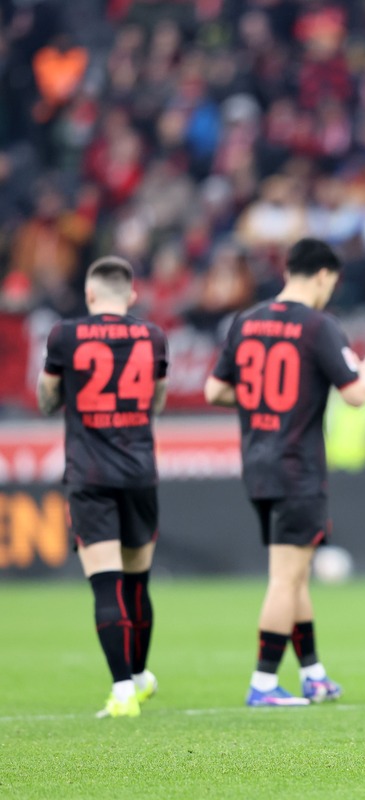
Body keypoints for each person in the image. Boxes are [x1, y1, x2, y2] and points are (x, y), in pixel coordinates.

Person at [204, 238, 365, 707]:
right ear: (322, 275)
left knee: (295, 574)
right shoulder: (319, 326)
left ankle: (313, 674)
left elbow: (214, 391)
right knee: (285, 577)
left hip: (257, 461)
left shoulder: (247, 320)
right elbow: (355, 395)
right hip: (297, 467)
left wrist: (263, 400)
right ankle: (263, 683)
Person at [37, 256, 169, 718]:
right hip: (138, 470)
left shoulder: (64, 335)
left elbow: (47, 399)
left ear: (90, 294)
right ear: (131, 296)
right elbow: (157, 399)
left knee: (106, 584)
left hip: (89, 473)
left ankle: (121, 691)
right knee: (138, 582)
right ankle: (137, 677)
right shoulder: (153, 336)